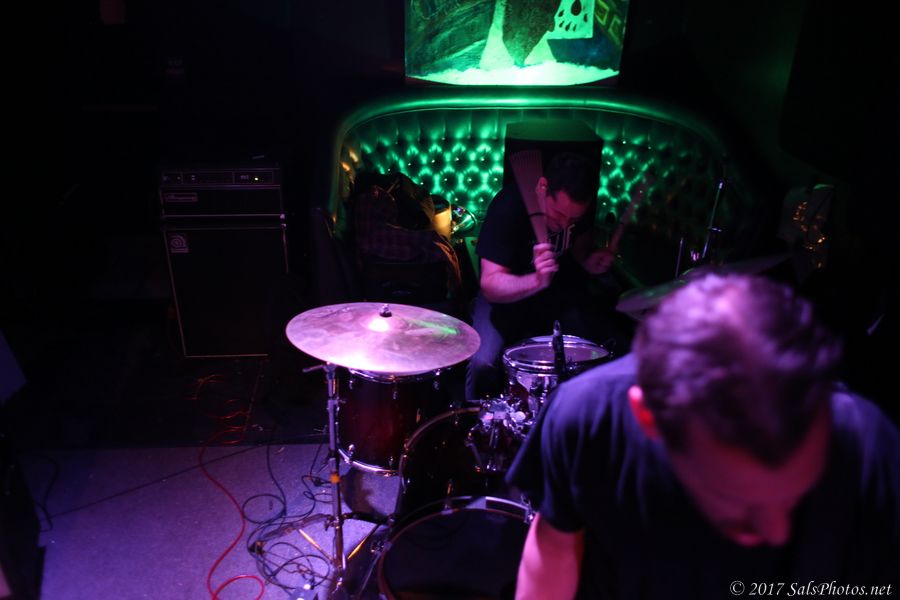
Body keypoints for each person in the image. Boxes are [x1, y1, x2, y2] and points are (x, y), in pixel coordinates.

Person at [507, 273, 900, 599]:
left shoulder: (866, 443)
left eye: (797, 497)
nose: (776, 532)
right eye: (743, 504)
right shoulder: (590, 416)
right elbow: (555, 548)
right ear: (649, 416)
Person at [466, 150, 628, 401]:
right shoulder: (509, 206)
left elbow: (580, 248)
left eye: (573, 218)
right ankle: (477, 419)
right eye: (559, 214)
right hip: (505, 300)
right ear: (543, 187)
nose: (564, 224)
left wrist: (589, 262)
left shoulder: (578, 208)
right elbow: (490, 284)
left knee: (608, 348)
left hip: (557, 295)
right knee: (482, 364)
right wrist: (536, 280)